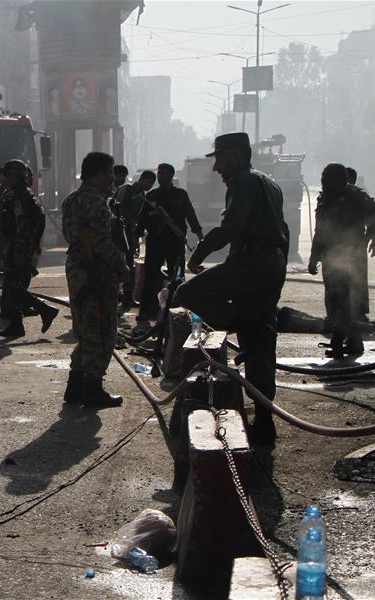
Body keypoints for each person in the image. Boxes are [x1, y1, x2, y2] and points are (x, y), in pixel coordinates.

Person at [172, 132, 288, 445]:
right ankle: (265, 423)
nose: (216, 168)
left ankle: (241, 319)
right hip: (270, 265)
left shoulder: (243, 183)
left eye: (219, 159)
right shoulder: (270, 183)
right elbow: (284, 230)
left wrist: (198, 253)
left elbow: (232, 227)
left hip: (250, 264)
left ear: (235, 157)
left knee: (186, 294)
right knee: (260, 347)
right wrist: (277, 275)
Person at [61, 152, 127, 407]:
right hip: (96, 273)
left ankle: (75, 388)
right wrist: (122, 268)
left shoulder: (71, 200)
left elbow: (70, 235)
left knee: (86, 330)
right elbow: (101, 244)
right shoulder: (97, 203)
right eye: (110, 172)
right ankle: (92, 389)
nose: (112, 178)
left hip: (77, 270)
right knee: (102, 331)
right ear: (99, 174)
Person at [307, 164, 375, 357]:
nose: (324, 181)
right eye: (323, 176)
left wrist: (371, 236)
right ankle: (353, 342)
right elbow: (320, 230)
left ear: (341, 179)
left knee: (346, 301)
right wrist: (314, 257)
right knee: (334, 302)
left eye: (329, 177)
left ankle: (339, 341)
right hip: (330, 257)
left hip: (352, 257)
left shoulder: (355, 196)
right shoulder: (324, 198)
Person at [0, 159, 59, 338]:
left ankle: (44, 309)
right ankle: (17, 325)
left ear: (18, 177)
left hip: (19, 248)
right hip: (16, 246)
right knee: (12, 288)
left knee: (15, 287)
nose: (6, 178)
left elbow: (23, 227)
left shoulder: (21, 196)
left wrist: (21, 252)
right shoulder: (17, 194)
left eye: (9, 175)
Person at [136, 163, 203, 322]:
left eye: (163, 173)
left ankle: (179, 313)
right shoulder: (151, 196)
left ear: (171, 176)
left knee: (177, 278)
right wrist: (136, 238)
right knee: (151, 277)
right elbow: (143, 219)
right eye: (159, 173)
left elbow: (190, 214)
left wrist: (199, 234)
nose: (160, 176)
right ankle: (146, 311)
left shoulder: (180, 194)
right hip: (155, 242)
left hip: (175, 241)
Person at [112, 170, 156, 305]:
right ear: (142, 180)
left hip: (131, 233)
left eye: (152, 184)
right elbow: (121, 209)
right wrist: (132, 225)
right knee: (122, 262)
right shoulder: (129, 190)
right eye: (148, 182)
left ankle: (127, 295)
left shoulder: (142, 195)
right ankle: (121, 294)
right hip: (121, 232)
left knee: (130, 262)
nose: (149, 186)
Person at [344, 166, 375, 323]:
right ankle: (342, 315)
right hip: (336, 248)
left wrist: (371, 238)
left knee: (357, 280)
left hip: (355, 245)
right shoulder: (330, 196)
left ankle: (358, 314)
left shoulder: (357, 196)